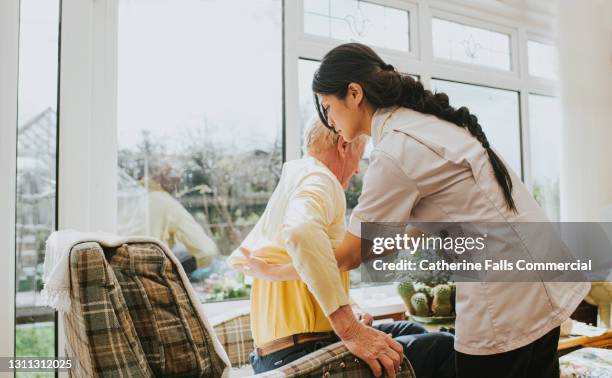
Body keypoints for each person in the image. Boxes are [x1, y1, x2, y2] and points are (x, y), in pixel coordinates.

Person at [239, 43, 590, 378]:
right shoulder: (423, 124)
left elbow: (348, 254)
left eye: (327, 107)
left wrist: (280, 271)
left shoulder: (394, 150)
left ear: (354, 93)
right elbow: (418, 227)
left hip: (504, 293)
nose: (329, 120)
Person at [229, 119, 455, 378]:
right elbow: (301, 232)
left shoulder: (295, 179)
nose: (358, 169)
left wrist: (350, 306)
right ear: (344, 145)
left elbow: (315, 262)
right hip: (300, 355)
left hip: (275, 354)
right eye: (360, 155)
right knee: (445, 346)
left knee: (410, 330)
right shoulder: (320, 178)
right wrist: (350, 329)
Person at [118, 164, 218, 270]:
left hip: (115, 273)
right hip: (146, 274)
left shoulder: (127, 198)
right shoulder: (166, 203)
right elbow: (207, 251)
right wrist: (175, 271)